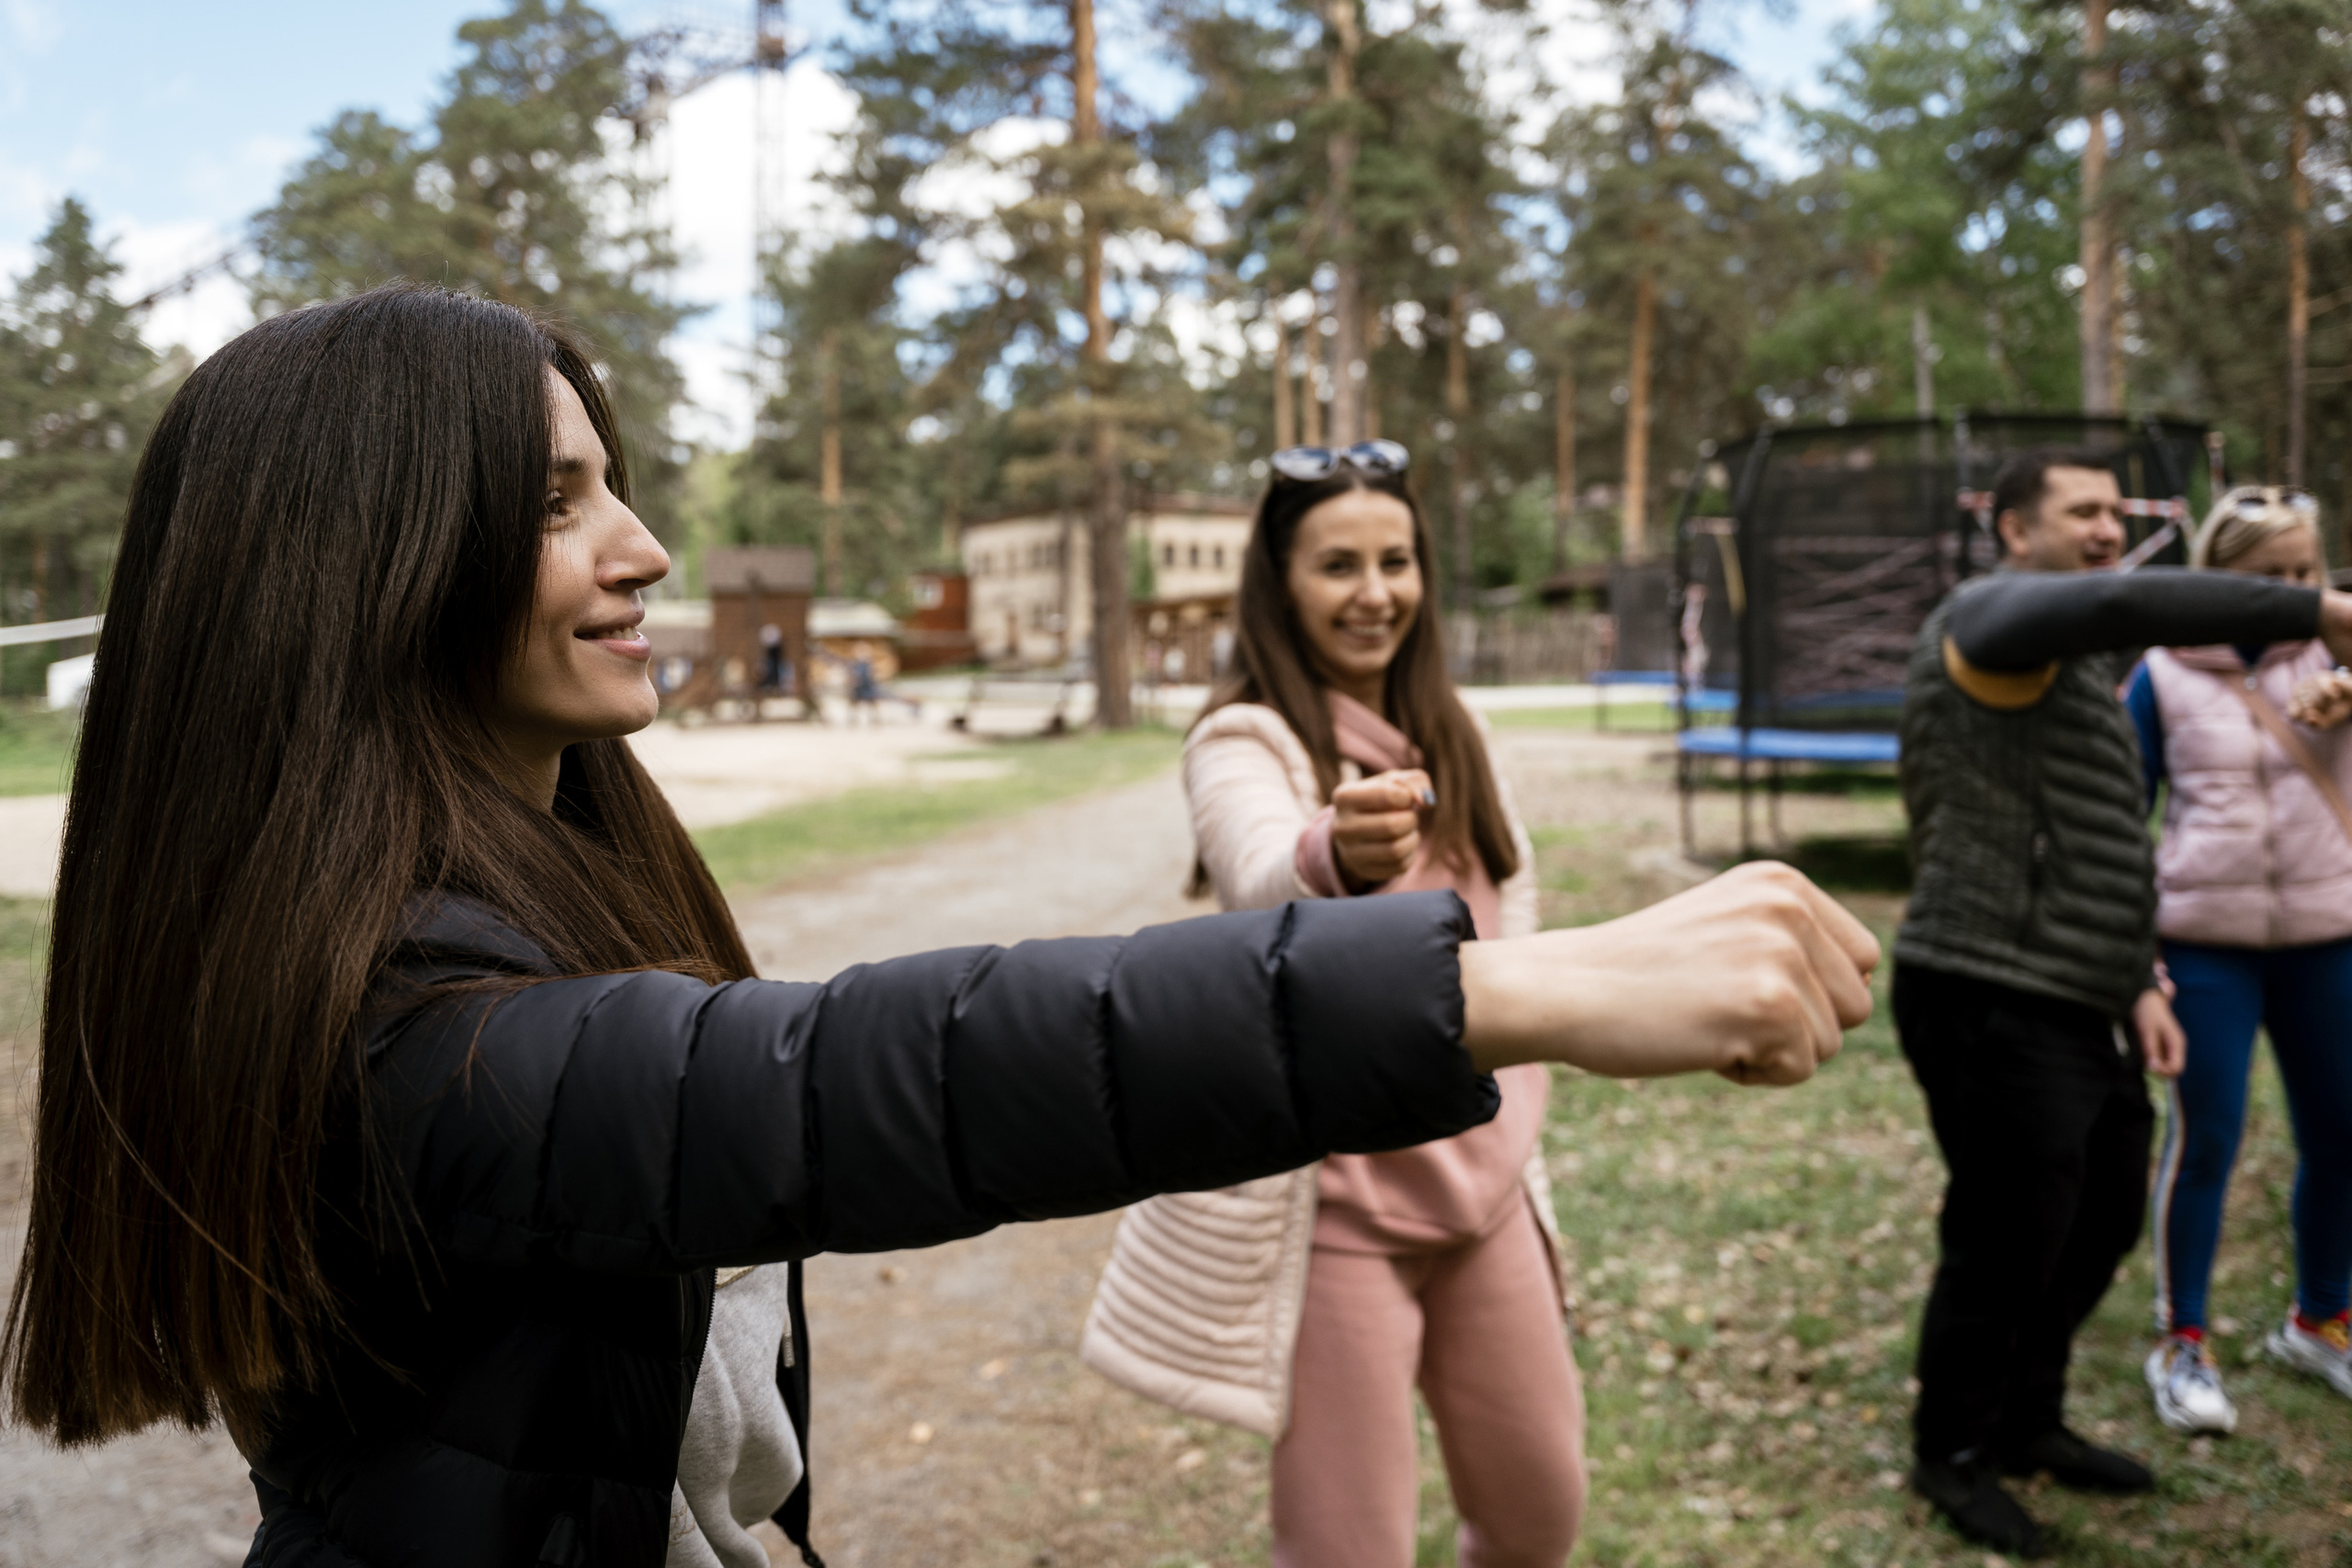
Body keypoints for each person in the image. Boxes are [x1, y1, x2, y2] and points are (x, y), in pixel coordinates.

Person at [0, 286, 1880, 1568]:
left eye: (616, 482)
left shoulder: (528, 885)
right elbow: (865, 1076)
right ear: (363, 567)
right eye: (558, 500)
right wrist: (1503, 985)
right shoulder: (395, 1029)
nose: (643, 547)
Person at [1082, 439, 1579, 1568]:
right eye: (1338, 566)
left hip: (1485, 1194)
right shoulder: (1245, 737)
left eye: (1395, 561)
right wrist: (1335, 846)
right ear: (1281, 582)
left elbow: (1518, 917)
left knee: (1538, 1511)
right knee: (1348, 1552)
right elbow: (1259, 864)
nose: (1374, 593)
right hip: (1340, 1222)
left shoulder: (1459, 728)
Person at [1894, 448, 2352, 1559]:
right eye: (2080, 511)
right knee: (2004, 1235)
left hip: (2069, 994)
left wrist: (2129, 982)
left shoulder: (2072, 662)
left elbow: (2098, 835)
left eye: (2114, 511)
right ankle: (1950, 1454)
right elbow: (2118, 597)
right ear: (2012, 531)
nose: (2107, 529)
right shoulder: (1986, 616)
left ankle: (2026, 1418)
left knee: (2093, 1216)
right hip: (1983, 984)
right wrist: (2319, 604)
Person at [2125, 485, 2352, 1434]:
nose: (2291, 594)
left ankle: (2319, 1321)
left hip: (2328, 941)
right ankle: (2183, 1342)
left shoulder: (2339, 656)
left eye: (2304, 573)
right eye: (2267, 579)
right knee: (2207, 1137)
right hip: (2203, 947)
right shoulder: (2161, 674)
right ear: (2220, 581)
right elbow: (2118, 819)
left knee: (2340, 1134)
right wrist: (2139, 963)